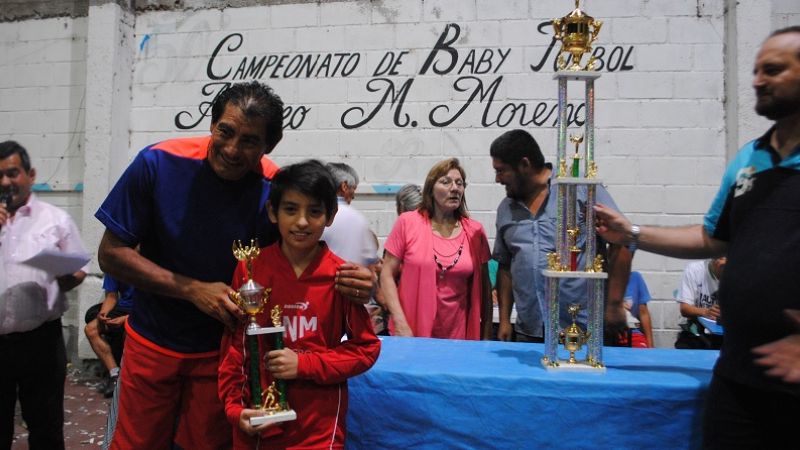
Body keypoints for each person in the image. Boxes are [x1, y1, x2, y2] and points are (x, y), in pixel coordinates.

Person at [95, 81, 374, 449]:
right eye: (225, 132)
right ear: (212, 124)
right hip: (153, 342)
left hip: (222, 355)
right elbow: (110, 254)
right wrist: (192, 290)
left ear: (269, 145)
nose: (231, 149)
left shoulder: (273, 189)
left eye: (249, 141)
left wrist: (356, 281)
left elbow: (303, 255)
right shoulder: (158, 162)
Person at [593, 27, 800, 448]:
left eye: (773, 69)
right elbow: (711, 238)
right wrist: (632, 233)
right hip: (738, 373)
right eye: (756, 70)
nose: (758, 80)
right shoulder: (749, 158)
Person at [218, 160, 380, 449]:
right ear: (273, 212)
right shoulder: (251, 269)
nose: (302, 222)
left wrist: (304, 364)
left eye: (314, 211)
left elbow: (366, 349)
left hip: (318, 428)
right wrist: (234, 408)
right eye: (291, 209)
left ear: (330, 216)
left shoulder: (342, 276)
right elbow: (235, 347)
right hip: (258, 421)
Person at [490, 129, 632, 343]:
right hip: (529, 331)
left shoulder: (580, 189)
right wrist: (503, 321)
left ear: (524, 165)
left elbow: (623, 241)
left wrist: (614, 304)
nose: (497, 179)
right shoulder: (506, 209)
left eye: (501, 171)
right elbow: (506, 266)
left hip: (582, 330)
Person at [0, 140, 89, 450]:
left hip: (40, 342)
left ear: (31, 174)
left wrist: (63, 275)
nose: (5, 182)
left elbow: (79, 271)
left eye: (12, 173)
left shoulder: (55, 220)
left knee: (46, 428)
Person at [381, 158, 492, 340]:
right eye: (446, 182)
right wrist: (400, 322)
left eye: (459, 183)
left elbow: (485, 289)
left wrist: (486, 334)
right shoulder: (407, 223)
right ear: (431, 189)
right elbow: (386, 274)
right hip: (410, 332)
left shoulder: (475, 231)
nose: (454, 188)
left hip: (458, 336)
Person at [84, 274, 133, 398]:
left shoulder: (149, 266)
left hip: (143, 311)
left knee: (129, 331)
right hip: (123, 307)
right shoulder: (114, 266)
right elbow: (111, 297)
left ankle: (130, 378)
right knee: (91, 329)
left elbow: (153, 305)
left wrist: (126, 319)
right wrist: (103, 314)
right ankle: (114, 374)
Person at [321, 162, 377, 265]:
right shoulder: (358, 219)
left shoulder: (314, 215)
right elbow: (370, 258)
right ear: (344, 186)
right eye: (353, 189)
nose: (354, 196)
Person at [674, 257, 726, 350]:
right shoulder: (695, 270)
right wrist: (706, 312)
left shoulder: (740, 274)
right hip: (695, 332)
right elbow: (685, 308)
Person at [622, 271, 653, 348]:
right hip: (608, 333)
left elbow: (643, 313)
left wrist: (650, 347)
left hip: (632, 332)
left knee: (642, 352)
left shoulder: (635, 277)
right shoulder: (601, 278)